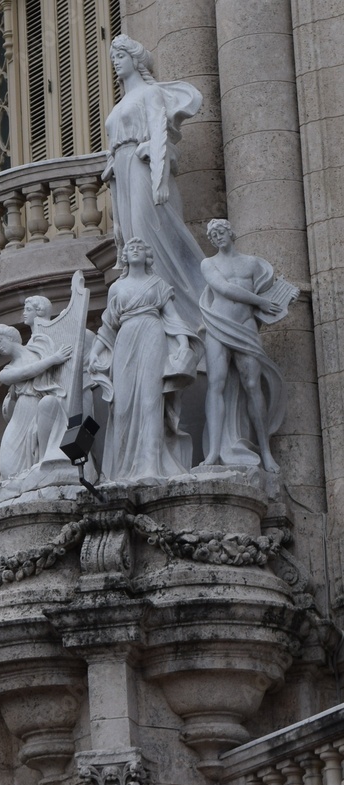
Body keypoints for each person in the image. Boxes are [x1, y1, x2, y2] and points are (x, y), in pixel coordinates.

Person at [103, 34, 207, 328]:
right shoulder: (121, 103)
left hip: (142, 167)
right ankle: (146, 302)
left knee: (150, 233)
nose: (115, 63)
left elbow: (159, 133)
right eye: (113, 58)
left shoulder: (150, 94)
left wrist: (159, 178)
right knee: (130, 234)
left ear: (136, 60)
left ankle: (176, 312)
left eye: (121, 56)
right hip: (122, 171)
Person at [88, 238, 203, 483]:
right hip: (126, 340)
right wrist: (94, 352)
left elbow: (172, 318)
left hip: (152, 337)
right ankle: (122, 469)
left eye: (140, 247)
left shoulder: (158, 284)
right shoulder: (116, 288)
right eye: (130, 249)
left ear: (147, 255)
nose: (135, 250)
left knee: (151, 402)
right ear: (125, 257)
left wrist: (183, 343)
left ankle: (150, 465)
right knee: (122, 406)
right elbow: (109, 326)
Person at [200, 219, 289, 472]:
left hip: (246, 325)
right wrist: (260, 302)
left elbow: (271, 294)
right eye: (213, 235)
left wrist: (279, 301)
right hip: (218, 324)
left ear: (231, 233)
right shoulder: (209, 263)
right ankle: (214, 451)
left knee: (253, 385)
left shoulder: (252, 263)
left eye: (221, 232)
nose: (217, 237)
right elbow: (225, 288)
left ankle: (266, 451)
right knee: (215, 384)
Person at [0, 302, 73, 481]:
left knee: (41, 455)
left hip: (42, 405)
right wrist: (53, 360)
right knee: (8, 471)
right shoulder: (6, 372)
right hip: (21, 415)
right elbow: (26, 372)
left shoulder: (39, 347)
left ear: (10, 337)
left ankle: (46, 465)